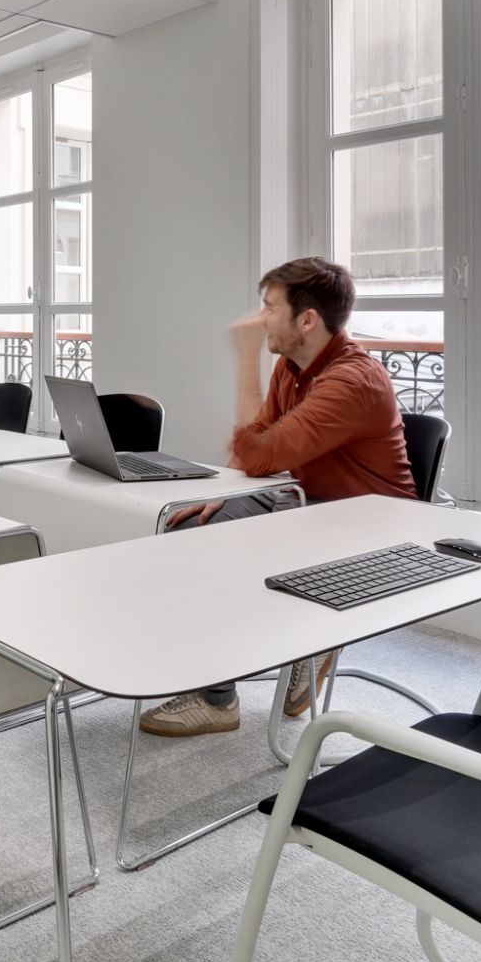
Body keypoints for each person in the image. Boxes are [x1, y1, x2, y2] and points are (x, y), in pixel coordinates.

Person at [138, 256, 416, 739]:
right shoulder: (292, 367)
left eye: (269, 308)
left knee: (223, 546)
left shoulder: (353, 381)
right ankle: (250, 662)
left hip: (368, 522)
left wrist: (246, 359)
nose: (258, 319)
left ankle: (218, 698)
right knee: (188, 526)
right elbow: (255, 451)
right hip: (308, 500)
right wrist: (220, 494)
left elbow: (259, 451)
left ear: (307, 320)